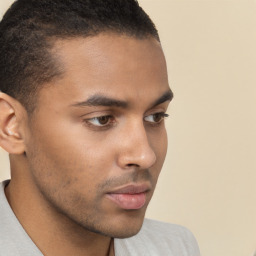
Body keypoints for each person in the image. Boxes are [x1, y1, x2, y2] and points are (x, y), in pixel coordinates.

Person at [0, 0, 200, 255]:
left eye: (155, 117)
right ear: (11, 126)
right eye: (101, 119)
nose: (145, 156)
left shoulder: (175, 247)